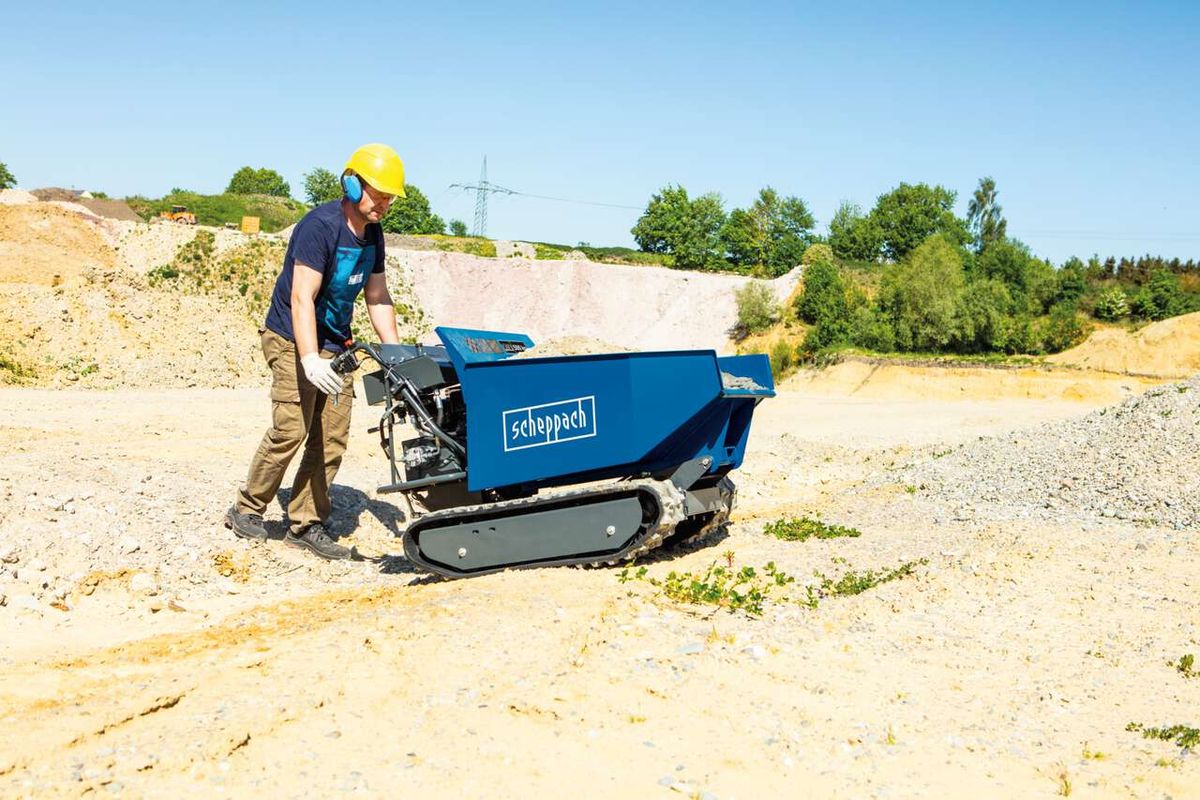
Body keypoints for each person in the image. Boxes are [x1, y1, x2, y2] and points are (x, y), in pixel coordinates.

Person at [224, 143, 405, 559]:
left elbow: (377, 296)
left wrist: (395, 357)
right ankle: (246, 508)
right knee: (292, 428)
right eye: (378, 193)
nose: (385, 203)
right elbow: (302, 298)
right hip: (290, 338)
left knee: (331, 439)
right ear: (351, 183)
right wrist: (308, 359)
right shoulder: (319, 226)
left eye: (390, 196)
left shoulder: (374, 234)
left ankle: (305, 524)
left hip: (334, 343)